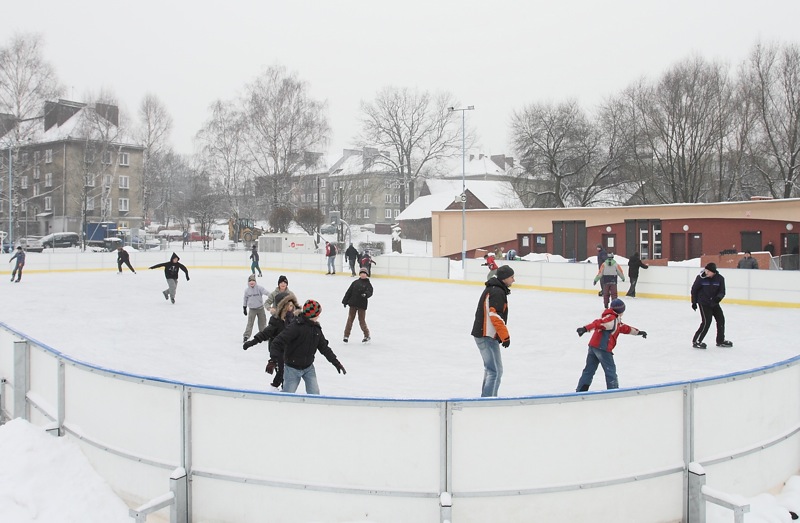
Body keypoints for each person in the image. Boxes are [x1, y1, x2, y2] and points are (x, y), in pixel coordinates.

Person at [269, 299, 347, 395]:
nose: (319, 316)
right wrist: (273, 360)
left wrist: (336, 363)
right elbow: (277, 342)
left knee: (315, 394)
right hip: (292, 369)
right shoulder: (295, 327)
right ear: (312, 315)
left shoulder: (316, 329)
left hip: (308, 368)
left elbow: (324, 348)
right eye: (318, 313)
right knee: (287, 395)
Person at [575, 299, 647, 391]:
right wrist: (585, 329)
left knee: (589, 370)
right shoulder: (611, 319)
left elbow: (624, 328)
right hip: (603, 348)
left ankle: (581, 390)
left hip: (593, 347)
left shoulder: (614, 319)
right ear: (621, 310)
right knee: (610, 371)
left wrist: (638, 332)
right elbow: (598, 323)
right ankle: (613, 391)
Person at [470, 264, 514, 398]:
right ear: (505, 278)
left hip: (487, 335)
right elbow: (495, 316)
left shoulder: (495, 289)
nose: (513, 280)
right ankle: (488, 402)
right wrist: (505, 336)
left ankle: (488, 398)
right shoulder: (497, 291)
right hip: (486, 335)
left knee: (494, 370)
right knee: (494, 371)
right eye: (512, 277)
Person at [243, 290, 300, 391]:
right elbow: (264, 334)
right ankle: (275, 388)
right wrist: (251, 342)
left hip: (288, 350)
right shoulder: (276, 322)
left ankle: (278, 387)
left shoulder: (294, 319)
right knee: (283, 371)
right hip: (277, 350)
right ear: (282, 307)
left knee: (286, 371)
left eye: (292, 306)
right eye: (288, 306)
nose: (291, 308)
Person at [690, 263, 733, 349]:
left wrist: (718, 298)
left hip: (714, 303)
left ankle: (720, 341)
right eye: (706, 270)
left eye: (708, 271)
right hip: (704, 303)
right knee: (706, 322)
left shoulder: (720, 279)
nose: (706, 272)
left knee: (721, 320)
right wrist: (694, 302)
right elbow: (694, 290)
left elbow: (722, 291)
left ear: (713, 272)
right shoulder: (701, 278)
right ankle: (697, 341)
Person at [342, 267, 373, 343]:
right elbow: (349, 292)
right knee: (350, 320)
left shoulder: (368, 284)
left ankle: (367, 335)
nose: (363, 275)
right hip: (353, 304)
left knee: (361, 321)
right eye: (361, 273)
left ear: (367, 275)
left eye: (364, 273)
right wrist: (345, 301)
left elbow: (370, 292)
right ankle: (346, 335)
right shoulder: (355, 282)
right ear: (359, 274)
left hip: (362, 305)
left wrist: (365, 294)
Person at [242, 274, 268, 342]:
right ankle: (246, 336)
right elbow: (245, 299)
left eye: (253, 280)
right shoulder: (247, 291)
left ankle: (264, 335)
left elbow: (266, 292)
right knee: (250, 323)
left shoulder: (259, 288)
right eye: (250, 281)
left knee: (262, 322)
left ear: (255, 282)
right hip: (252, 310)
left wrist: (272, 296)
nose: (252, 282)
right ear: (248, 282)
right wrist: (244, 307)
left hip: (260, 309)